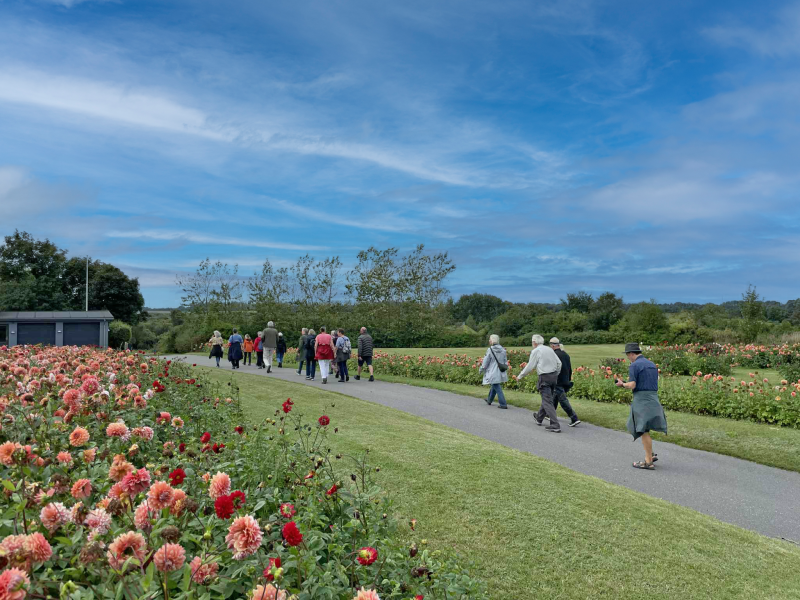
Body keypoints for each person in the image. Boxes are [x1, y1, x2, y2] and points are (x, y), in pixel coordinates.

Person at [616, 342, 668, 470]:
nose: (628, 357)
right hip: (653, 398)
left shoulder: (635, 365)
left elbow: (633, 385)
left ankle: (648, 461)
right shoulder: (651, 364)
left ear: (632, 354)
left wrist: (622, 384)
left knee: (642, 429)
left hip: (641, 399)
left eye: (628, 355)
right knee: (644, 427)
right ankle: (651, 454)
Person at [516, 334, 563, 432]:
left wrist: (520, 375)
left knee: (547, 401)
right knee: (547, 398)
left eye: (532, 342)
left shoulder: (536, 351)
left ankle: (555, 424)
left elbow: (530, 365)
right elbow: (559, 363)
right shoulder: (549, 349)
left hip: (544, 377)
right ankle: (539, 417)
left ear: (534, 342)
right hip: (553, 376)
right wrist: (556, 374)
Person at [548, 338, 581, 427]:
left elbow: (553, 368)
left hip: (557, 380)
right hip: (565, 379)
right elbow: (569, 368)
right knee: (554, 398)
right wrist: (568, 379)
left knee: (563, 400)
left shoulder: (554, 354)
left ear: (552, 345)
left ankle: (574, 418)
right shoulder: (565, 354)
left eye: (550, 345)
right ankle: (549, 414)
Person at [480, 334, 508, 408]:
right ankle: (489, 400)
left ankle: (503, 404)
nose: (489, 340)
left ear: (492, 340)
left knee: (497, 386)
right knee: (494, 385)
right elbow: (505, 361)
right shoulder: (503, 350)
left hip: (492, 371)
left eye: (490, 339)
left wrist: (481, 369)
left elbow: (485, 362)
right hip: (501, 371)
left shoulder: (490, 350)